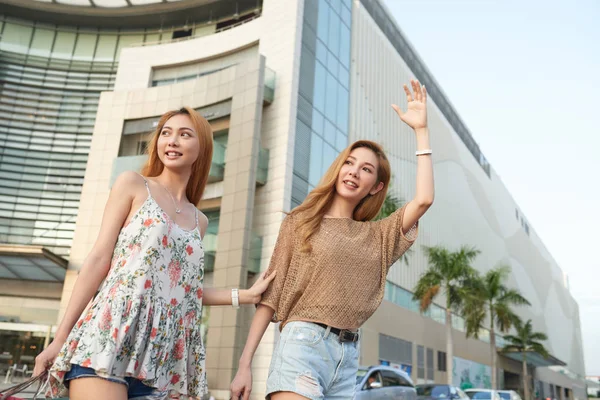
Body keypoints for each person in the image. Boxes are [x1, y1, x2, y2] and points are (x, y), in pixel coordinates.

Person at [32, 107, 276, 400]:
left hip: (163, 357)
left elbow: (184, 291)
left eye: (185, 135)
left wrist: (246, 295)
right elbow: (98, 260)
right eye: (166, 133)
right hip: (110, 335)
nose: (172, 141)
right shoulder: (133, 184)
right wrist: (60, 338)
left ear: (202, 149)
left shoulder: (200, 220)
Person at [230, 80, 434, 400]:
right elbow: (271, 297)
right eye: (349, 163)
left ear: (376, 187)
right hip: (302, 345)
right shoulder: (301, 222)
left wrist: (421, 131)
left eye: (366, 169)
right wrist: (245, 364)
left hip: (348, 358)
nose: (353, 172)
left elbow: (423, 200)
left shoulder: (379, 236)